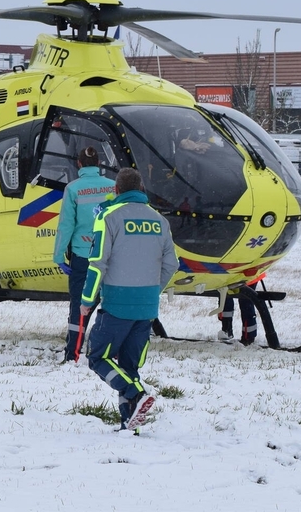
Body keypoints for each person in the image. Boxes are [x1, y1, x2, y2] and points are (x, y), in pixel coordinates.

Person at [80, 168, 178, 432]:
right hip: (147, 306)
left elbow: (97, 263)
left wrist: (87, 299)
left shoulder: (108, 217)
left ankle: (135, 394)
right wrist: (152, 290)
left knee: (97, 357)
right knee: (128, 365)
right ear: (141, 189)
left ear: (116, 190)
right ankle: (129, 424)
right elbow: (172, 264)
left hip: (117, 303)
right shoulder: (159, 220)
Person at [51, 146, 117, 363]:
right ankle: (111, 351)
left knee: (80, 306)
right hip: (109, 255)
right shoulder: (113, 186)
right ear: (99, 164)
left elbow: (66, 225)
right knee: (111, 305)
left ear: (79, 164)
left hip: (82, 256)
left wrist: (59, 256)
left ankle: (73, 355)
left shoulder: (73, 189)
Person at [218, 272, 263, 345]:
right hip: (231, 274)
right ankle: (226, 330)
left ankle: (248, 337)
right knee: (225, 295)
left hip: (250, 274)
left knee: (246, 300)